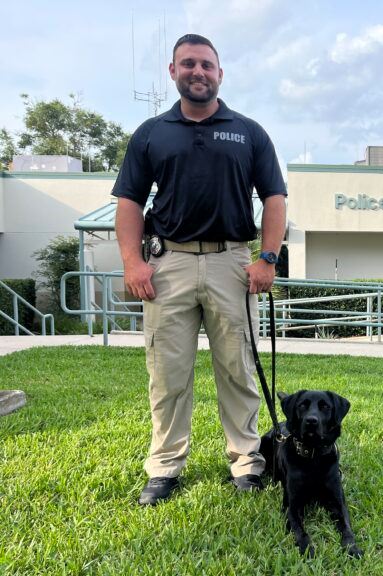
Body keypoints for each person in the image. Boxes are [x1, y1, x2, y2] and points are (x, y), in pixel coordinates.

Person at [112, 33, 287, 506]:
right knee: (168, 371)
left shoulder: (249, 132)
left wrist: (267, 258)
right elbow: (128, 201)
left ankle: (247, 460)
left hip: (233, 261)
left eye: (207, 65)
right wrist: (132, 262)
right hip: (167, 264)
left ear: (220, 74)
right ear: (172, 71)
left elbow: (275, 198)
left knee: (238, 369)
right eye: (188, 64)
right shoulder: (151, 133)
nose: (198, 72)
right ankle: (165, 465)